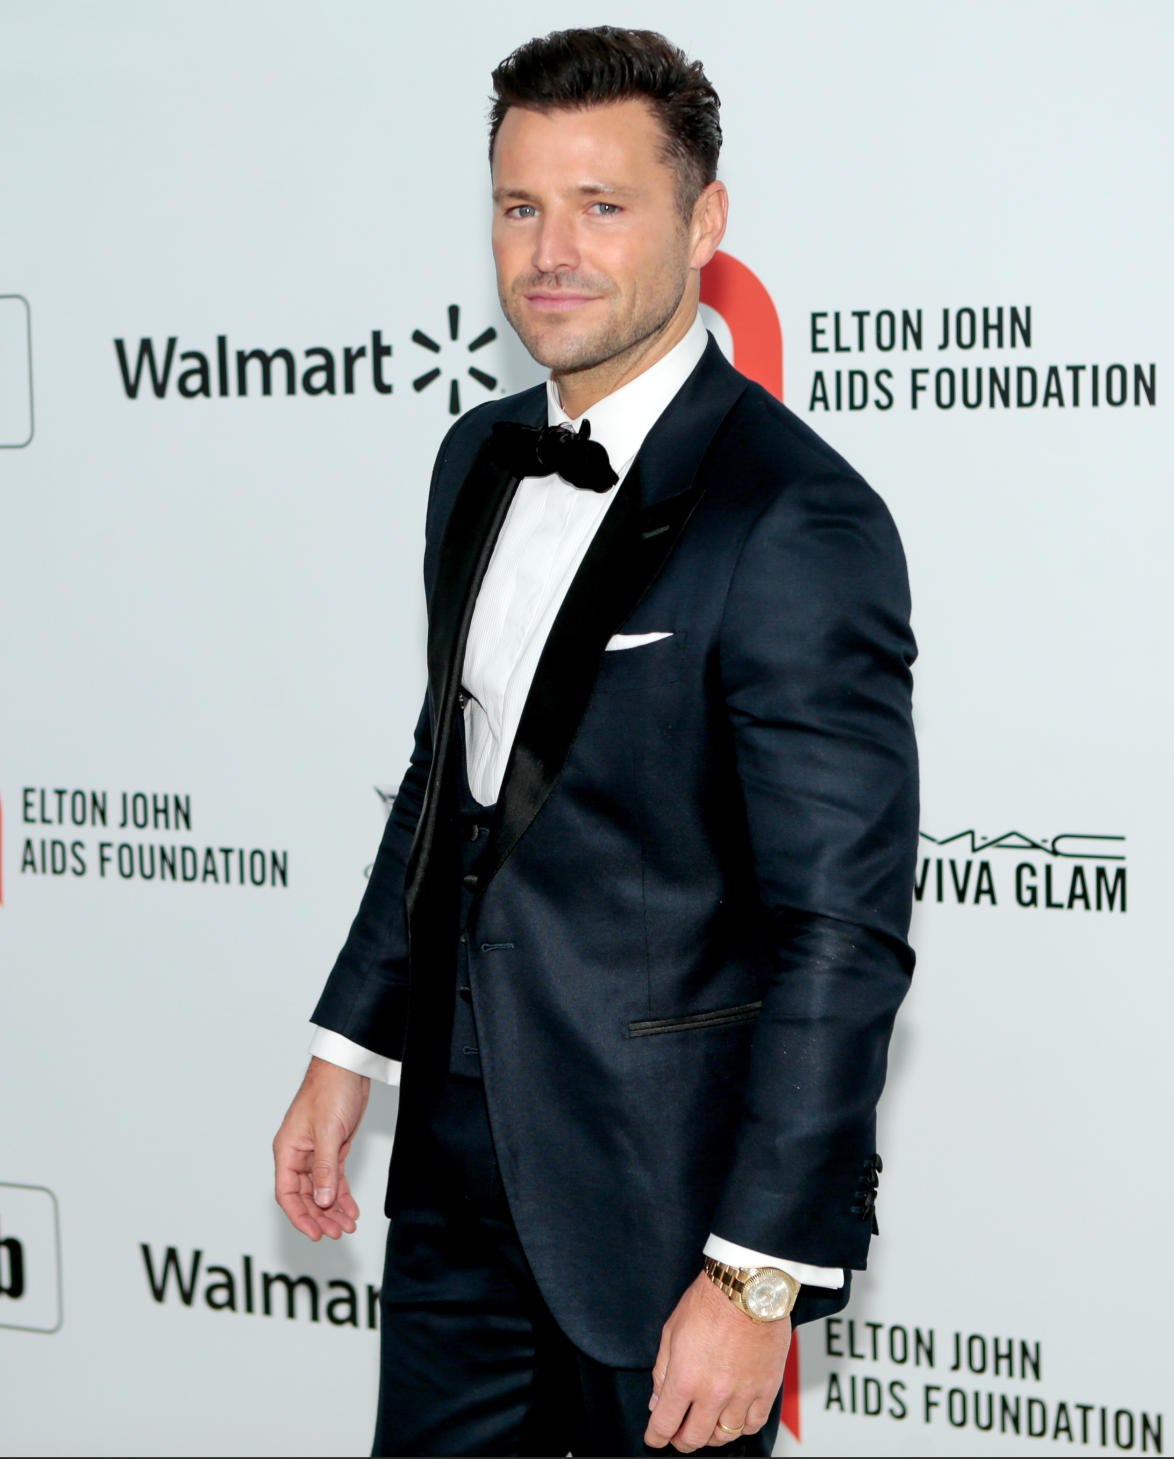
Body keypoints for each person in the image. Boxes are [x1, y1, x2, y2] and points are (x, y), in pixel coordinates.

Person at [273, 25, 918, 1458]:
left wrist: (753, 1276)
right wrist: (348, 1048)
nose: (549, 251)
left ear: (704, 223)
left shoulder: (792, 518)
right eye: (520, 206)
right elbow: (453, 776)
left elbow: (840, 933)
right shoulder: (476, 457)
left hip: (659, 1207)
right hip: (447, 1173)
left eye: (601, 205)